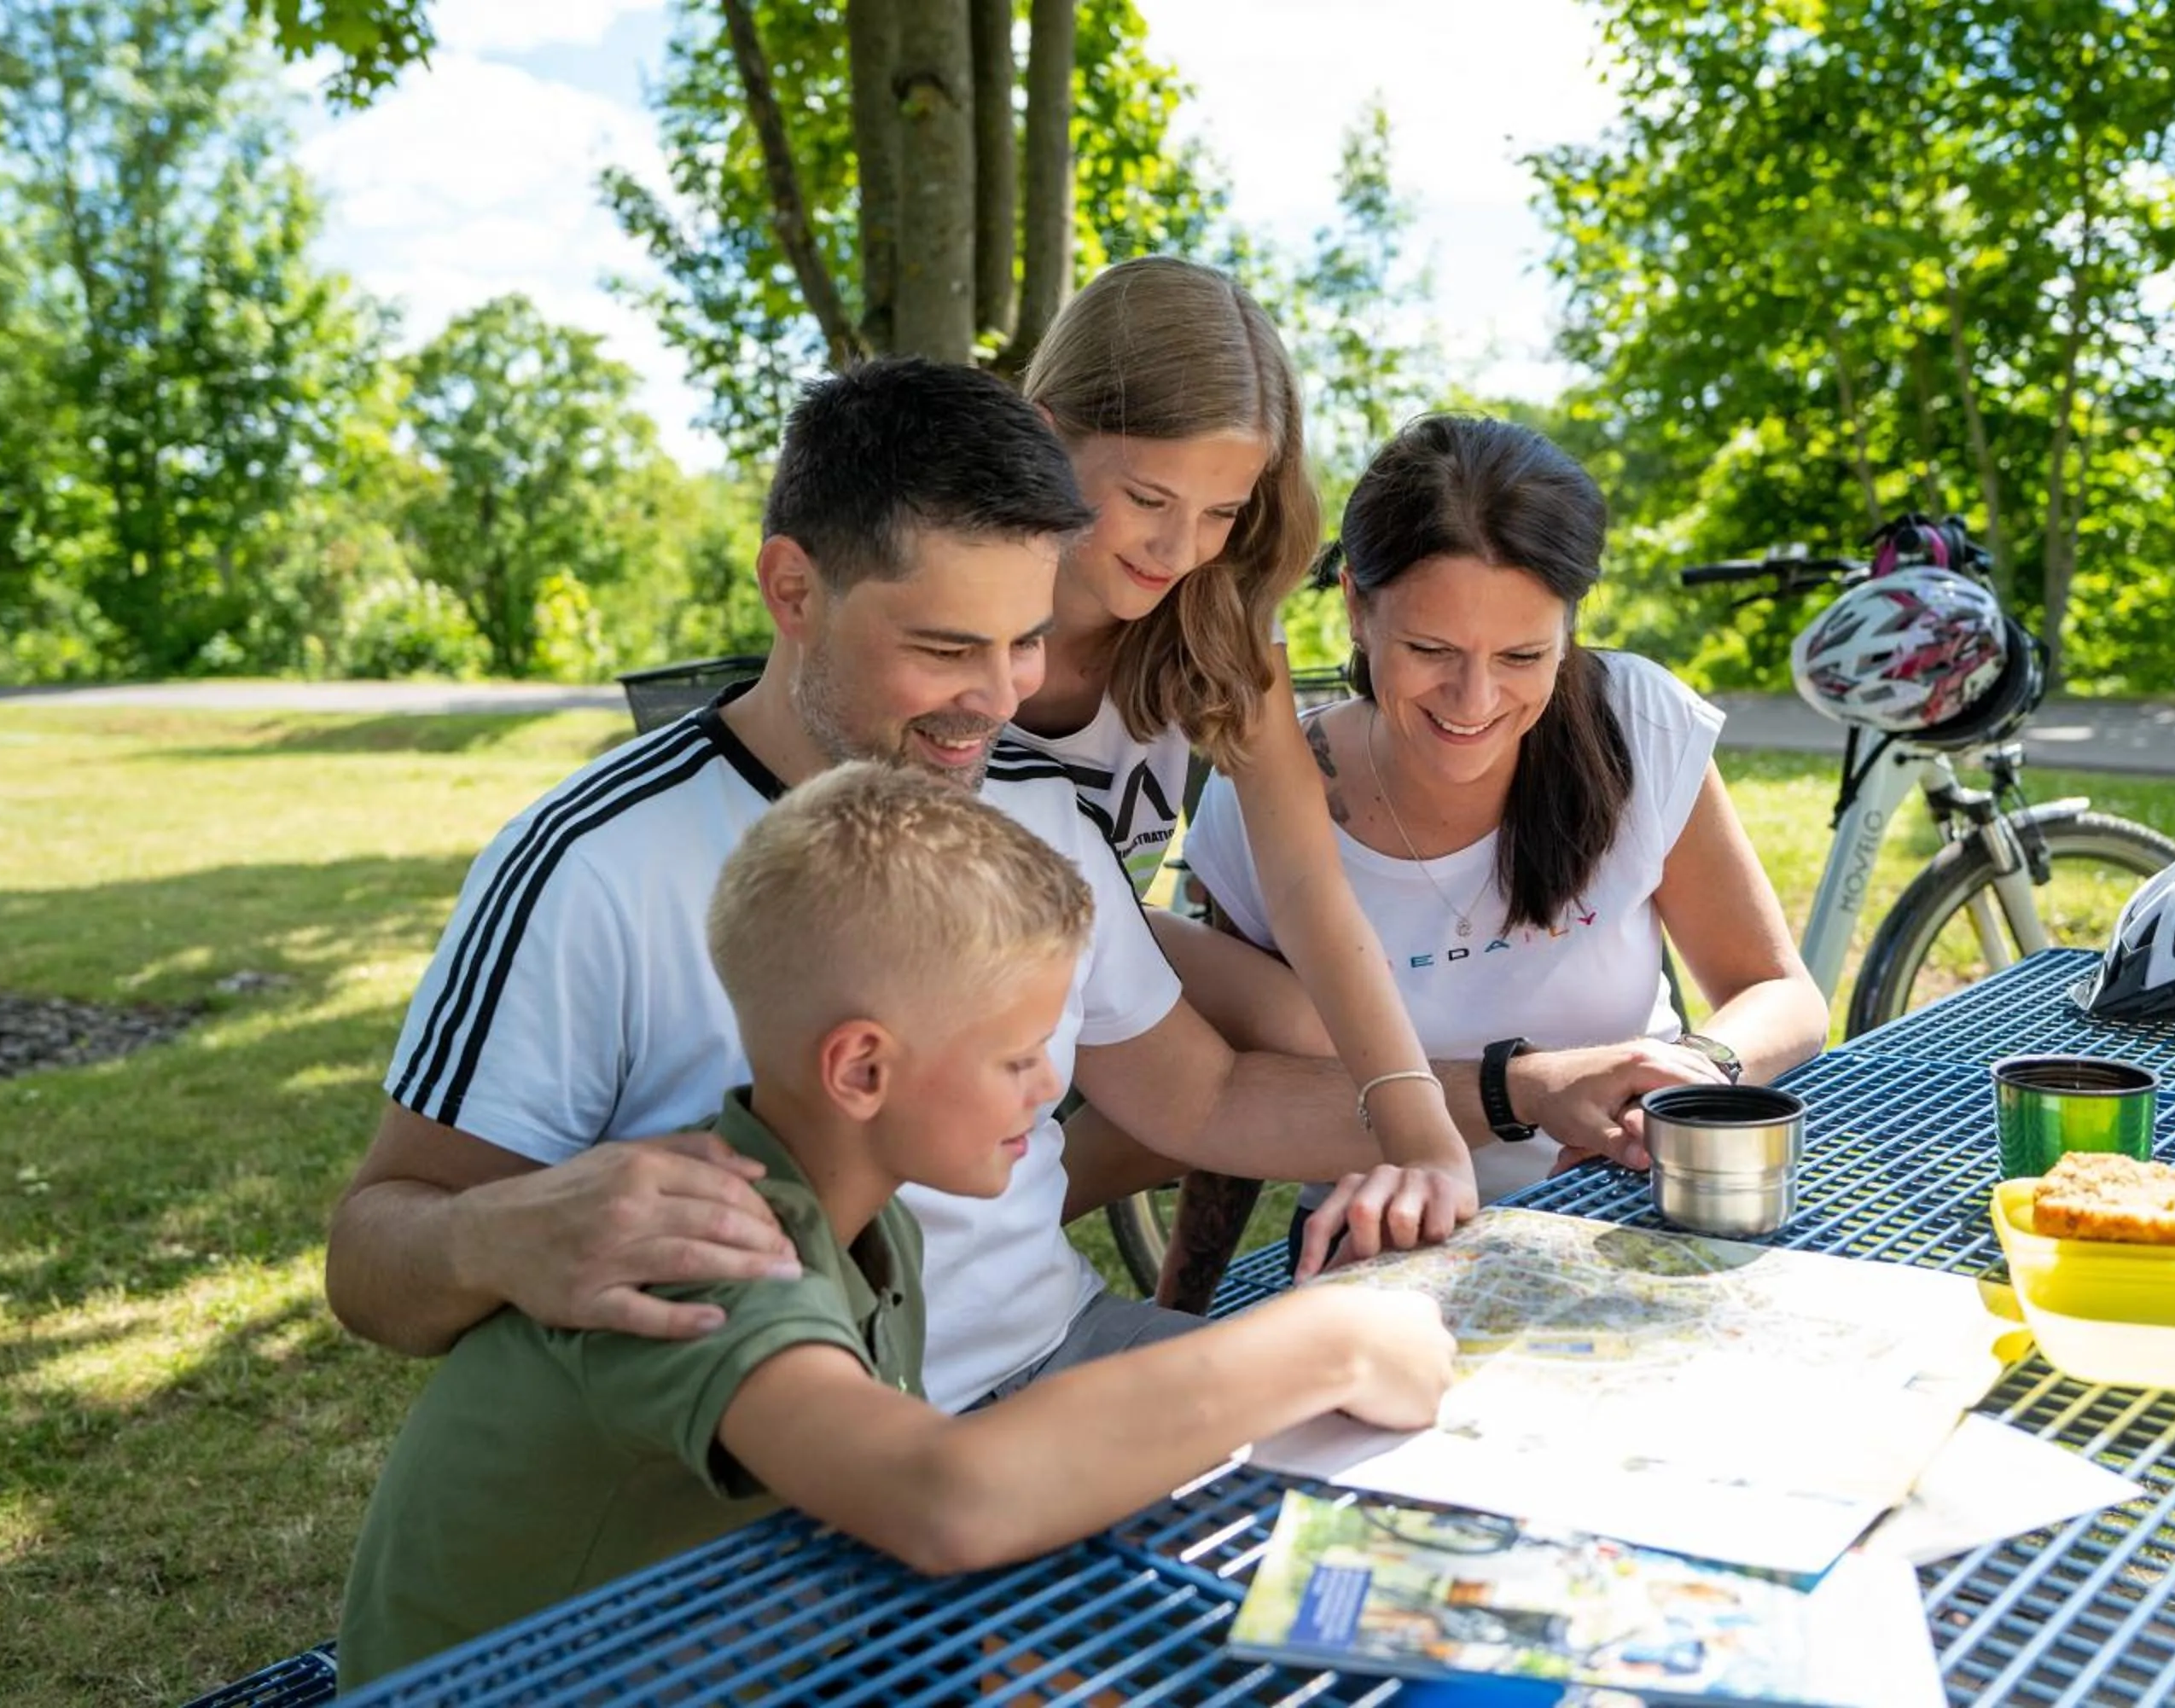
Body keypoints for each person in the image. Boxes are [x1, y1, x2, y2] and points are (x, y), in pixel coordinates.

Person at [325, 359, 1636, 1415]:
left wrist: (1514, 1095)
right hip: (759, 1470)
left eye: (1023, 641)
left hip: (1064, 1360)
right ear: (794, 589)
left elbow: (1207, 1094)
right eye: (946, 646)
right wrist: (494, 1239)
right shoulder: (588, 861)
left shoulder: (1029, 806)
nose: (997, 702)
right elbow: (373, 1253)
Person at [335, 763, 1455, 1689]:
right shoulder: (706, 1249)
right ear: (862, 1066)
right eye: (1019, 1057)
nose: (1049, 1084)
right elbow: (943, 1497)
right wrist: (1330, 1339)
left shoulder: (877, 1230)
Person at [1163, 415, 1829, 1304]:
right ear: (1357, 607)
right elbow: (1239, 1085)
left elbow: (1782, 993)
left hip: (1629, 1210)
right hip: (1393, 1243)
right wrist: (1183, 1308)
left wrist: (1676, 1079)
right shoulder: (1266, 804)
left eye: (1523, 655)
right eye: (1431, 651)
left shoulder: (1638, 723)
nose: (1474, 702)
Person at [1010, 258, 1480, 1255]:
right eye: (1149, 497)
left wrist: (1426, 1134)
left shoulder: (1214, 608)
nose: (1181, 548)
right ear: (1046, 438)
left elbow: (1306, 883)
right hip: (936, 953)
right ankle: (982, 1224)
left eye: (1221, 512)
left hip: (1087, 941)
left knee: (1309, 1028)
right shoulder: (961, 608)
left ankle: (1027, 1211)